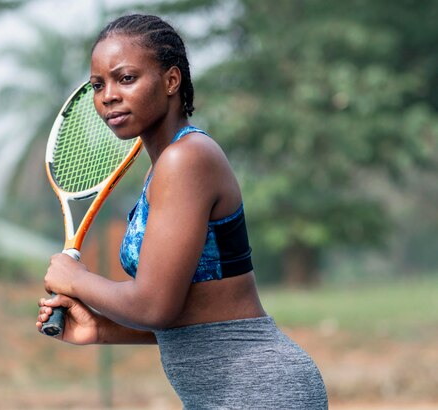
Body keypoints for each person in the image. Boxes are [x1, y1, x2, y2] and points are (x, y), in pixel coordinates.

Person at [36, 14, 328, 409]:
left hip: (257, 389)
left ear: (171, 81)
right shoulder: (168, 167)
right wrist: (102, 329)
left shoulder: (186, 160)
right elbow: (195, 314)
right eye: (98, 85)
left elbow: (154, 306)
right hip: (229, 392)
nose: (108, 96)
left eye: (126, 78)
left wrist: (75, 278)